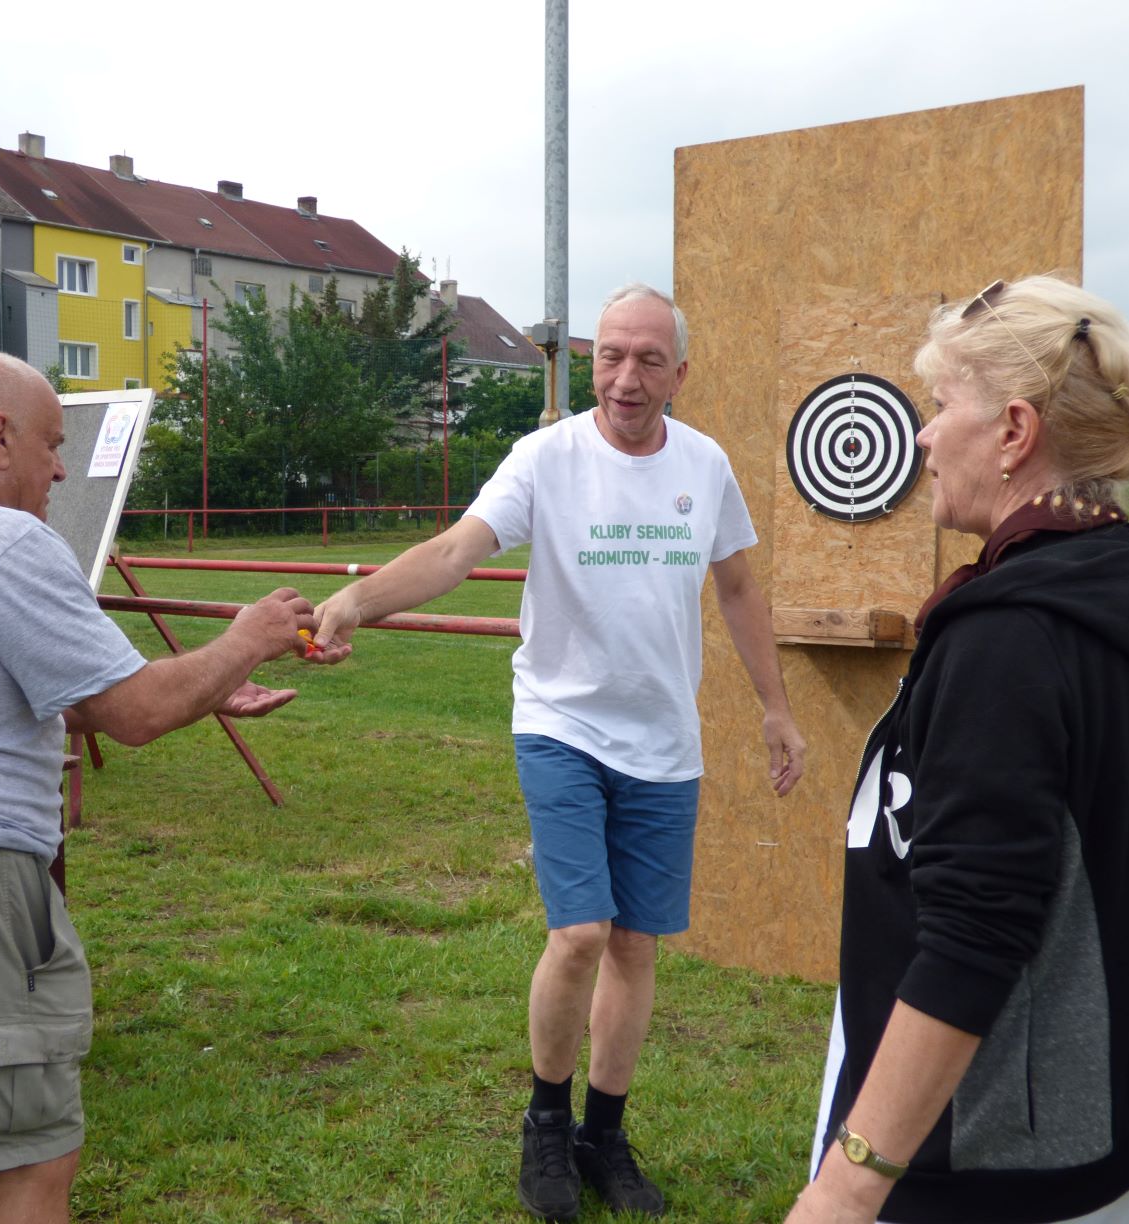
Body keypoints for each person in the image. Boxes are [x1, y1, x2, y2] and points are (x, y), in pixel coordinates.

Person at [0, 349, 344, 1224]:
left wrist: (210, 684)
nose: (62, 470)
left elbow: (22, 692)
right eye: (51, 444)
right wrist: (247, 638)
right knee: (26, 1164)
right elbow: (134, 712)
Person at [789, 276, 1129, 1224]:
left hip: (992, 1154)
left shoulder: (1014, 639)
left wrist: (851, 1184)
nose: (922, 437)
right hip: (1082, 1125)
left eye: (941, 406)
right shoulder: (1123, 592)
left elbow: (976, 931)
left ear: (1014, 432)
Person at [315, 283, 807, 1220]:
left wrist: (776, 708)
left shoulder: (704, 465)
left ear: (680, 373)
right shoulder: (545, 458)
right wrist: (358, 600)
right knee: (580, 933)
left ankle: (603, 1137)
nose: (626, 378)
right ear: (591, 362)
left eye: (648, 360)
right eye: (610, 356)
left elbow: (739, 588)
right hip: (561, 726)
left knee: (635, 944)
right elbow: (457, 551)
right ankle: (545, 1123)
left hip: (665, 742)